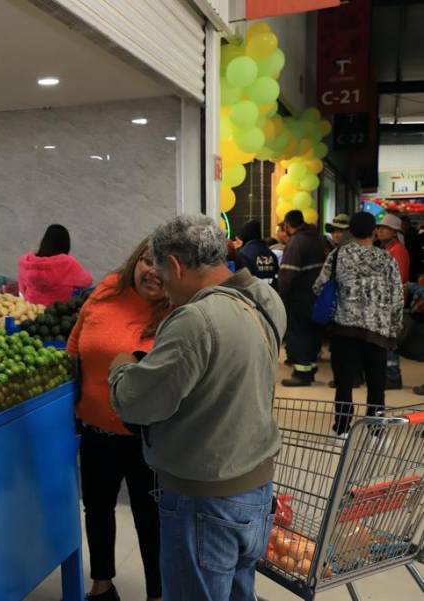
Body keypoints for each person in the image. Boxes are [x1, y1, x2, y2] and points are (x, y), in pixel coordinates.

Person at [109, 215, 286, 601]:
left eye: (161, 272)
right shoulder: (265, 298)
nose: (162, 285)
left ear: (174, 264)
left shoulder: (196, 319)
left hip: (204, 501)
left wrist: (122, 366)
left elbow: (138, 402)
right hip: (255, 492)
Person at [67, 238, 169, 601]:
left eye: (162, 265)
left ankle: (158, 593)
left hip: (148, 437)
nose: (152, 271)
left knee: (150, 517)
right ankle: (102, 584)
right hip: (95, 428)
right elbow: (76, 343)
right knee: (96, 509)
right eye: (146, 260)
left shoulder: (178, 311)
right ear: (135, 261)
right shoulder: (108, 290)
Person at [314, 212, 403, 437]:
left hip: (345, 330)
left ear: (350, 232)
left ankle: (342, 431)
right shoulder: (387, 259)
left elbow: (319, 288)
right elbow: (397, 297)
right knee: (376, 385)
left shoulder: (337, 255)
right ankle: (375, 432)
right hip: (378, 332)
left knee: (344, 384)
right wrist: (393, 329)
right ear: (374, 232)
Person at [278, 210, 327, 386]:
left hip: (299, 296)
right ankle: (310, 367)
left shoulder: (296, 242)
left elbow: (288, 273)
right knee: (312, 333)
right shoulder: (316, 238)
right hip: (316, 295)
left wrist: (281, 294)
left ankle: (301, 373)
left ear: (288, 224)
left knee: (298, 333)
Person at [18, 224, 92, 305]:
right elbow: (87, 282)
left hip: (31, 309)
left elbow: (22, 289)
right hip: (57, 312)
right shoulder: (68, 263)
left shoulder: (28, 261)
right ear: (65, 244)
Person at [376, 214, 409, 390]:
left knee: (390, 341)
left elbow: (399, 279)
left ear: (395, 232)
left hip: (392, 302)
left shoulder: (398, 251)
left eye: (384, 228)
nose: (379, 230)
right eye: (379, 227)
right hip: (387, 301)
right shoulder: (389, 248)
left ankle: (393, 376)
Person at [236, 220, 279, 284]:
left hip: (253, 292)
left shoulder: (243, 254)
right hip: (270, 291)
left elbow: (242, 279)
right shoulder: (270, 253)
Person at [402, 215, 422, 281]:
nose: (403, 226)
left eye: (405, 224)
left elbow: (415, 250)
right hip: (414, 263)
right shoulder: (412, 233)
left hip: (413, 262)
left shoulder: (410, 234)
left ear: (408, 224)